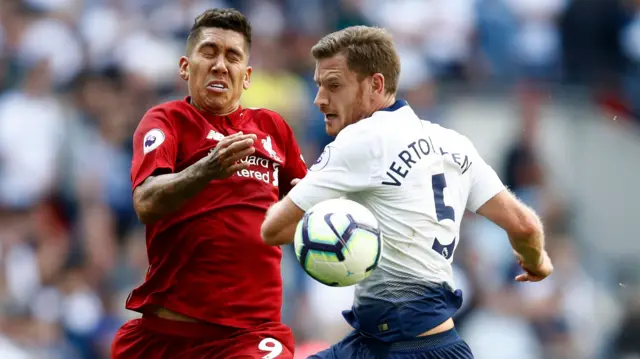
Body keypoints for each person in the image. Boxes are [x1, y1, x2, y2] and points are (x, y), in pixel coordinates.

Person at [261, 25, 553, 359]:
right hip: (435, 346)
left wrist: (327, 217)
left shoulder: (361, 140)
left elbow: (275, 229)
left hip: (398, 349)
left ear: (376, 85)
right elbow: (525, 226)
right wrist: (537, 262)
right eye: (319, 86)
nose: (319, 99)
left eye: (334, 85)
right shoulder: (454, 143)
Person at [111, 8, 307, 359]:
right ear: (186, 67)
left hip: (251, 334)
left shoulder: (273, 129)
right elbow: (145, 202)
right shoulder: (167, 121)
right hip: (168, 335)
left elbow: (309, 208)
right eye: (209, 52)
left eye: (232, 57)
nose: (220, 65)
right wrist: (206, 169)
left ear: (246, 76)